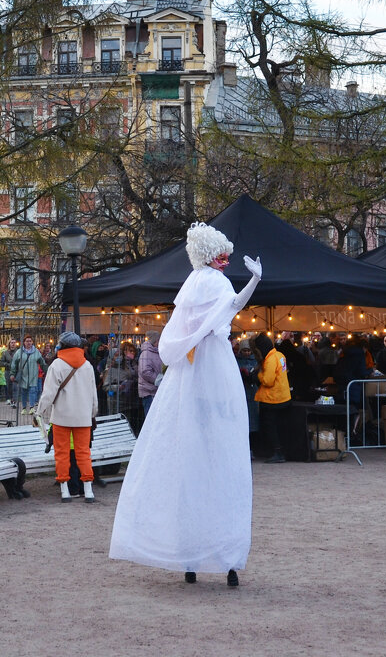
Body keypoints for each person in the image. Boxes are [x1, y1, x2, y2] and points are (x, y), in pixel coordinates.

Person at [110, 223, 262, 588]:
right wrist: (255, 281)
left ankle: (192, 555)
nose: (225, 263)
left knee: (190, 459)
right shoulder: (214, 282)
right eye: (222, 256)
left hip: (189, 373)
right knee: (222, 459)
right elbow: (232, 306)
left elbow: (178, 334)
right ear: (214, 255)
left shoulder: (193, 282)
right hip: (211, 368)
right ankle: (222, 555)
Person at [35, 331, 100, 502]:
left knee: (62, 454)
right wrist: (92, 413)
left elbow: (48, 393)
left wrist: (39, 411)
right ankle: (88, 490)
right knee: (84, 453)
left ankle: (65, 490)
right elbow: (94, 395)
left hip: (62, 417)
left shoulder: (57, 364)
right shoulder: (87, 365)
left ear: (62, 345)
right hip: (83, 417)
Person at [255, 333, 290, 464]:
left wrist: (258, 375)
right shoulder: (280, 356)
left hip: (272, 398)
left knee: (270, 427)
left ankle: (277, 452)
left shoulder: (269, 360)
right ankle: (281, 451)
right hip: (283, 396)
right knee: (279, 426)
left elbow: (268, 381)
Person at [102, 340, 141, 430]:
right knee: (117, 424)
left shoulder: (127, 367)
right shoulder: (110, 370)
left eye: (120, 355)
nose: (119, 357)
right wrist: (119, 387)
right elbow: (106, 386)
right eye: (116, 355)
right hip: (116, 402)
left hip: (128, 402)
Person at [10, 335, 48, 414]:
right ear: (24, 342)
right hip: (23, 375)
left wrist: (47, 371)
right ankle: (24, 408)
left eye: (30, 341)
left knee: (33, 390)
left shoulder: (36, 351)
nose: (28, 343)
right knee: (23, 391)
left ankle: (31, 407)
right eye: (27, 341)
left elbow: (42, 362)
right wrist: (12, 374)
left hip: (33, 375)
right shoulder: (19, 352)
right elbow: (14, 363)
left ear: (32, 342)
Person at [235, 339, 260, 452]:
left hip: (252, 393)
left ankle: (252, 448)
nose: (247, 353)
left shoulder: (255, 361)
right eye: (244, 350)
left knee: (253, 420)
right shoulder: (236, 361)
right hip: (241, 392)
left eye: (248, 350)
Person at [137, 331, 163, 422]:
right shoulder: (147, 353)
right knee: (151, 419)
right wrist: (157, 379)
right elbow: (145, 371)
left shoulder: (155, 352)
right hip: (149, 391)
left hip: (154, 391)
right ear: (156, 341)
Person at [0, 339, 18, 405]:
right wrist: (8, 364)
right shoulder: (5, 353)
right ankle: (10, 399)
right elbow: (1, 363)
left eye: (14, 343)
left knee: (15, 386)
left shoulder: (18, 352)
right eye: (11, 343)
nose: (13, 344)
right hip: (8, 371)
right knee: (9, 387)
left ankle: (14, 401)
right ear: (9, 344)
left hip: (16, 371)